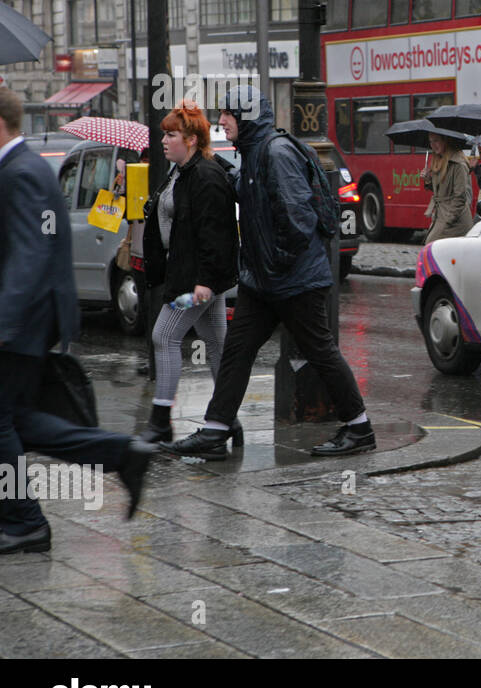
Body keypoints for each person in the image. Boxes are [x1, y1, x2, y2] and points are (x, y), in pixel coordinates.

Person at [161, 86, 374, 460]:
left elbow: (298, 219)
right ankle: (215, 432)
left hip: (292, 280)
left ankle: (359, 428)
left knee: (320, 350)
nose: (221, 121)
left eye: (227, 115)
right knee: (237, 352)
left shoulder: (275, 153)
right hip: (264, 282)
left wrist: (273, 264)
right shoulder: (254, 153)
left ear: (245, 118)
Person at [0, 87, 154, 553]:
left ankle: (26, 521)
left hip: (22, 323)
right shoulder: (19, 169)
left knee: (3, 422)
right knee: (19, 421)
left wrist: (3, 323)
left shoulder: (22, 172)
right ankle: (121, 454)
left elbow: (30, 256)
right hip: (26, 321)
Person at [139, 101, 239, 445]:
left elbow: (218, 236)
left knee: (164, 337)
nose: (164, 140)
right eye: (164, 134)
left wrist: (205, 284)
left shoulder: (206, 176)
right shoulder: (182, 170)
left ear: (192, 139)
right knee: (216, 345)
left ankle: (160, 422)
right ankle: (229, 420)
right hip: (191, 274)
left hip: (197, 280)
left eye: (171, 135)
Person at [421, 131, 473, 245]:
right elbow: (440, 191)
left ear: (446, 141)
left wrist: (448, 220)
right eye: (431, 142)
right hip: (442, 215)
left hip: (455, 221)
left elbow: (460, 197)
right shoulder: (438, 160)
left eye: (436, 141)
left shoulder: (458, 164)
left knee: (431, 246)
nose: (433, 145)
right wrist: (428, 179)